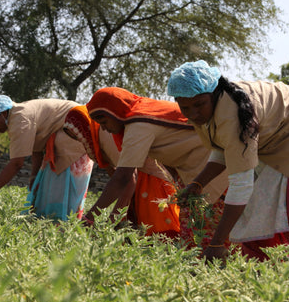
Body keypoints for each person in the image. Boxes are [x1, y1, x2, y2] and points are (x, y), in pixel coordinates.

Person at [167, 60, 289, 270]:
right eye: (185, 107)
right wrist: (198, 183)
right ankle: (267, 270)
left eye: (199, 104)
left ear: (214, 93)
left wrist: (217, 242)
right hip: (277, 138)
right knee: (256, 211)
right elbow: (223, 148)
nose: (193, 113)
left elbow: (241, 185)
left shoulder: (234, 113)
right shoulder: (210, 111)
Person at [81, 87, 228, 243]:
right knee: (195, 228)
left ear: (115, 112)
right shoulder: (141, 114)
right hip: (200, 166)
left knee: (209, 229)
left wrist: (90, 218)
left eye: (104, 122)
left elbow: (122, 177)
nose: (104, 128)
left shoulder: (139, 123)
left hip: (211, 164)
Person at [64, 105, 181, 238]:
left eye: (79, 132)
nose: (80, 138)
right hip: (144, 178)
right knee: (142, 235)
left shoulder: (107, 135)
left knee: (159, 233)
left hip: (151, 178)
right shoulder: (100, 138)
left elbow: (127, 179)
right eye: (76, 136)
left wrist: (109, 220)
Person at [0, 95, 93, 221]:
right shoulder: (17, 116)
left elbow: (16, 164)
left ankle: (63, 225)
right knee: (46, 189)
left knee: (59, 191)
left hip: (77, 129)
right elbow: (36, 149)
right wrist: (34, 177)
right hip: (72, 129)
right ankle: (53, 224)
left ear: (3, 113)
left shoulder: (20, 120)